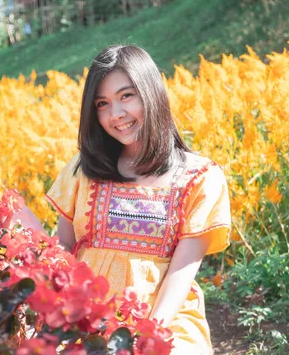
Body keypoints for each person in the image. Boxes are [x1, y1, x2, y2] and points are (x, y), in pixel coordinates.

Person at [15, 44, 231, 354]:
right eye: (102, 103)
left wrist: (146, 339)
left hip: (163, 320)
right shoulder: (84, 170)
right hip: (86, 316)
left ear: (151, 93)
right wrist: (22, 224)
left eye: (126, 96)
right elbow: (63, 249)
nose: (115, 115)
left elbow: (181, 275)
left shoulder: (200, 177)